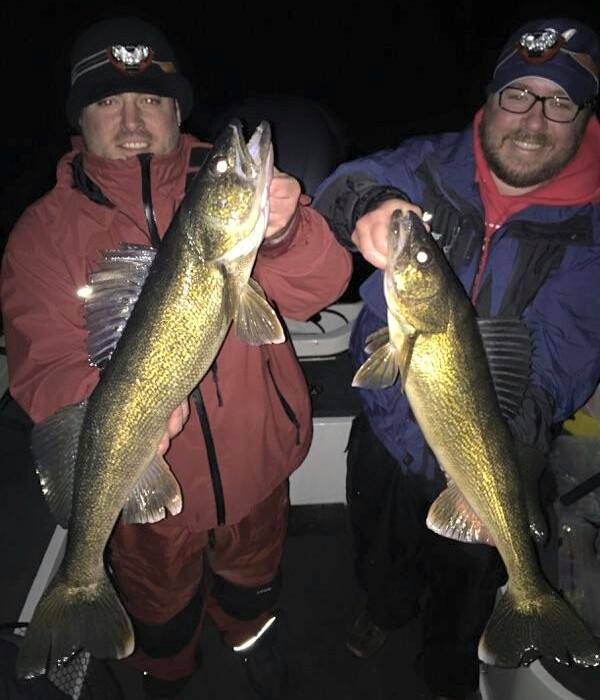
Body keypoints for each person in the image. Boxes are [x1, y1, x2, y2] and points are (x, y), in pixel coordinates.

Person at [0, 16, 351, 700]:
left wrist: (285, 233)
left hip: (256, 466)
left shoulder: (219, 196)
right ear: (79, 117)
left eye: (150, 100)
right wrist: (113, 414)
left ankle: (251, 641)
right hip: (149, 497)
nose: (133, 121)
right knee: (159, 608)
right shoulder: (43, 233)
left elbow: (321, 287)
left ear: (176, 111)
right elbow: (42, 366)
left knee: (254, 582)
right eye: (109, 101)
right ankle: (162, 670)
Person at [313, 16, 600, 700]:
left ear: (587, 116)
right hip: (389, 430)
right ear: (490, 97)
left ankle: (467, 656)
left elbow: (560, 358)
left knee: (465, 591)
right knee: (379, 554)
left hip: (503, 440)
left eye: (559, 101)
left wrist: (499, 460)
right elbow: (346, 184)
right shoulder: (431, 164)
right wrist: (373, 204)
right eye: (517, 94)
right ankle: (384, 610)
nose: (533, 120)